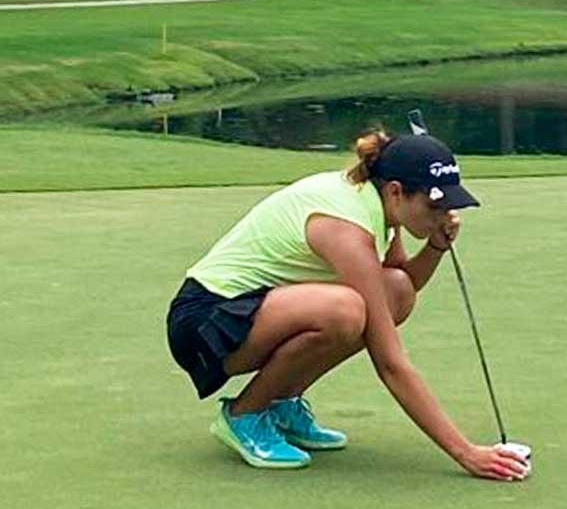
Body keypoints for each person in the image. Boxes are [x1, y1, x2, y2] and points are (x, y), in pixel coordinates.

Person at [165, 129, 529, 479]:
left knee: (396, 289)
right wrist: (466, 453)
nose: (443, 213)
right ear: (397, 191)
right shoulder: (346, 228)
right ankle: (245, 413)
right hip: (206, 323)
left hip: (259, 312)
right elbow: (390, 362)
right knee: (347, 311)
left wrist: (435, 247)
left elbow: (399, 287)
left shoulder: (380, 206)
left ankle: (281, 402)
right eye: (435, 205)